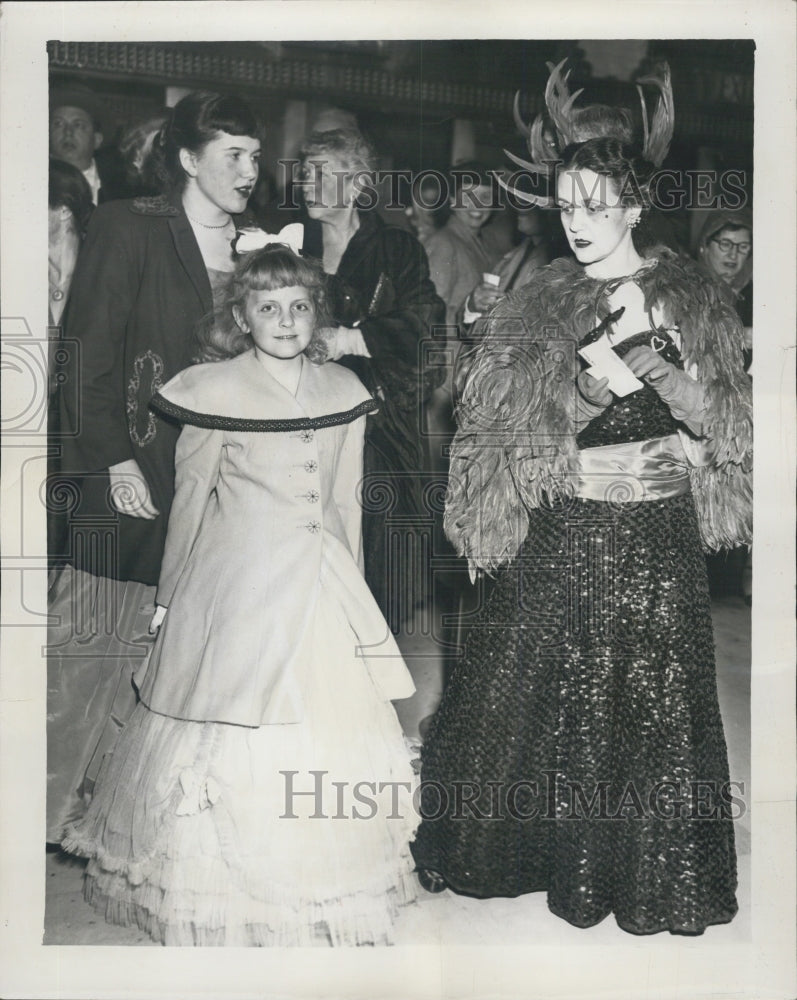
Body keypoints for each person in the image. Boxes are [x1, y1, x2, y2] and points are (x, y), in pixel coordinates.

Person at [410, 135, 752, 936]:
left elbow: (730, 428)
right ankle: (517, 850)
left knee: (646, 694)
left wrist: (658, 369)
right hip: (561, 521)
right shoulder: (541, 296)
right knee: (522, 683)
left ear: (634, 207)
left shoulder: (693, 297)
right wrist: (591, 389)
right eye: (566, 204)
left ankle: (635, 868)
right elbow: (505, 430)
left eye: (596, 204)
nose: (578, 220)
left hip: (655, 529)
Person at [63, 246, 418, 947]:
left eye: (297, 305)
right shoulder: (211, 390)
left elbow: (345, 502)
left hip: (317, 582)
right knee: (224, 721)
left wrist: (352, 596)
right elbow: (192, 501)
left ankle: (317, 879)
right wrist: (170, 597)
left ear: (315, 313)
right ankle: (218, 883)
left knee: (322, 726)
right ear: (241, 316)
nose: (284, 320)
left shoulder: (343, 387)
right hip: (236, 583)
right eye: (266, 307)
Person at [46, 91, 261, 844]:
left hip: (219, 483)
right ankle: (34, 816)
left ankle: (118, 818)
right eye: (232, 154)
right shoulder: (127, 226)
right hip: (132, 467)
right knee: (89, 649)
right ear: (187, 159)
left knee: (169, 661)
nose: (248, 170)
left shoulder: (256, 249)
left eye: (256, 156)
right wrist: (109, 459)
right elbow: (86, 355)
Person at [296, 128, 446, 626]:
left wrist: (350, 340)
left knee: (374, 565)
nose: (308, 183)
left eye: (323, 173)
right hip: (295, 425)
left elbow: (426, 333)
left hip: (374, 433)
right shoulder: (291, 246)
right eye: (305, 172)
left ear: (359, 184)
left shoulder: (395, 250)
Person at [49, 83, 126, 204]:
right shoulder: (31, 183)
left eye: (78, 125)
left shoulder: (122, 192)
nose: (67, 132)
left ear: (97, 139)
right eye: (58, 124)